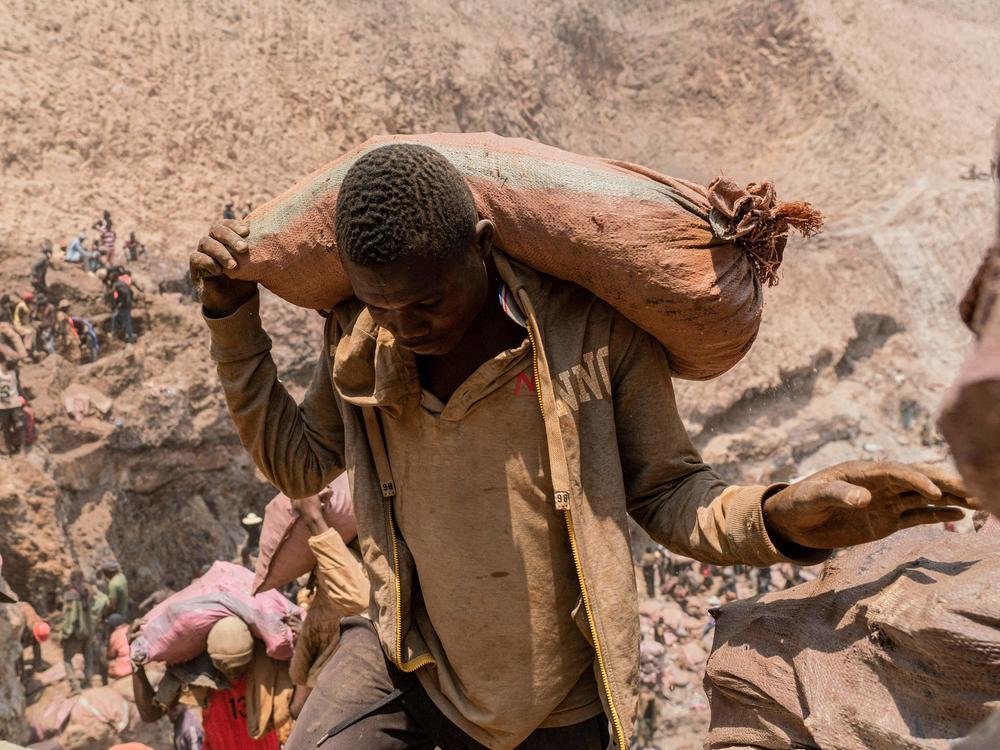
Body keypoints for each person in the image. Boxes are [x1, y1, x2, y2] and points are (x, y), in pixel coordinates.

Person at [191, 144, 972, 750]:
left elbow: (670, 497)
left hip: (554, 706)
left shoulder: (592, 342)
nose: (405, 326)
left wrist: (784, 516)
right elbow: (300, 465)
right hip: (409, 659)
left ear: (482, 246)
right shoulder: (360, 342)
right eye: (381, 304)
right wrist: (233, 325)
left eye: (426, 301)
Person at [132, 616, 291, 749]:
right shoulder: (199, 673)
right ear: (212, 659)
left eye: (240, 667)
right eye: (225, 668)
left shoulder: (266, 669)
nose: (233, 675)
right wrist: (136, 664)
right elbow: (150, 713)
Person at [287, 491, 369, 718]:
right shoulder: (385, 577)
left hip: (334, 706)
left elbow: (299, 687)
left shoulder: (318, 612)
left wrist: (314, 520)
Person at [59, 571, 93, 694]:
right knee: (88, 656)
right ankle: (88, 681)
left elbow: (71, 618)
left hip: (76, 633)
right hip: (88, 631)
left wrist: (65, 634)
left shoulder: (71, 594)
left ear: (72, 579)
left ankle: (74, 686)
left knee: (67, 659)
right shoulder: (88, 591)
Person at [0, 341, 26, 455]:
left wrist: (23, 397)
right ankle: (7, 449)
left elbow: (18, 385)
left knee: (19, 424)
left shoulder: (15, 371)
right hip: (1, 404)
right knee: (4, 428)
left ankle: (22, 448)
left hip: (14, 401)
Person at [106, 272, 136, 343]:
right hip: (127, 304)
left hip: (124, 305)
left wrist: (121, 302)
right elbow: (130, 292)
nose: (110, 278)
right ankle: (128, 335)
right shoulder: (122, 283)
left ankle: (116, 333)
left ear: (114, 277)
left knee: (117, 318)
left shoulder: (117, 284)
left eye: (111, 277)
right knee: (126, 319)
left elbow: (124, 293)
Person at [105, 613, 132, 679]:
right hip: (138, 660)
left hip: (126, 665)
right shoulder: (130, 627)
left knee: (110, 666)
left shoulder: (114, 635)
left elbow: (111, 654)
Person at [12, 292, 35, 356]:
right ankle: (27, 349)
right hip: (18, 325)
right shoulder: (21, 306)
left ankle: (34, 350)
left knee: (34, 331)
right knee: (29, 332)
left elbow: (29, 317)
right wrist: (28, 325)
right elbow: (21, 319)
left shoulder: (26, 305)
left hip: (23, 324)